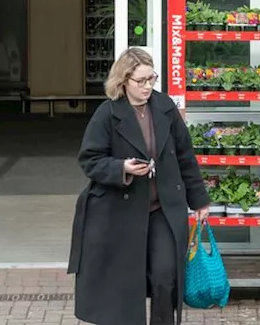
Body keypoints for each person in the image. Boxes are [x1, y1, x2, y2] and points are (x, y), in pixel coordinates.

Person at [67, 47, 211, 325]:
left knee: (165, 275)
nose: (148, 87)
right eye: (141, 81)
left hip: (162, 209)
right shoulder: (107, 113)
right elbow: (89, 159)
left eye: (152, 79)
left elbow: (185, 156)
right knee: (123, 284)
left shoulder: (165, 107)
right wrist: (122, 168)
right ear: (124, 81)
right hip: (120, 212)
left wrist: (200, 201)